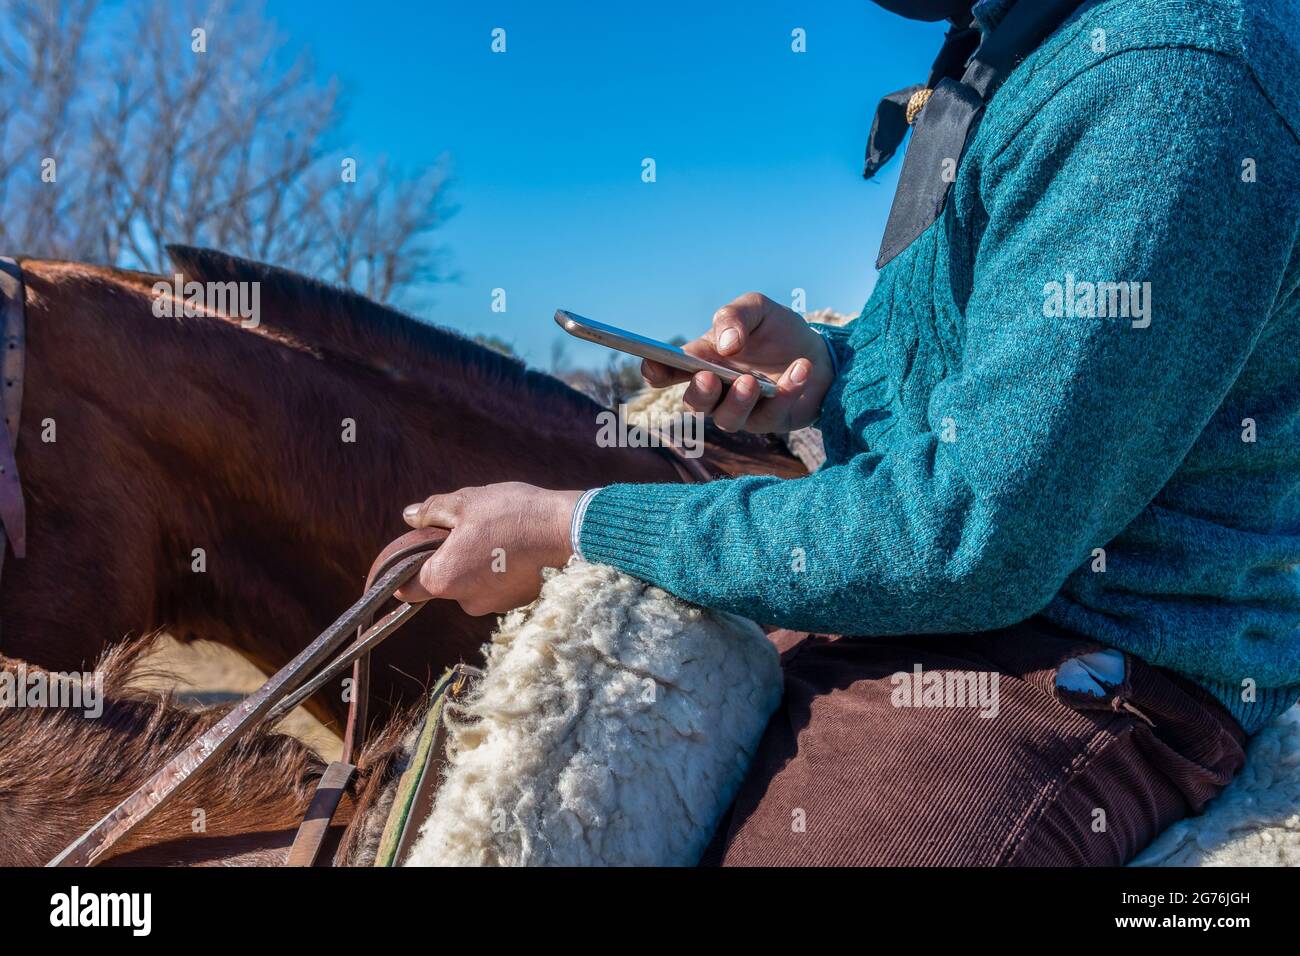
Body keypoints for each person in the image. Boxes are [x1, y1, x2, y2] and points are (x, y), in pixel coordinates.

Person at [398, 0, 1300, 864]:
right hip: (945, 609)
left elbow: (969, 532)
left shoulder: (1163, 75)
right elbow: (986, 383)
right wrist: (831, 371)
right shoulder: (1024, 46)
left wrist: (578, 526)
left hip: (1090, 660)